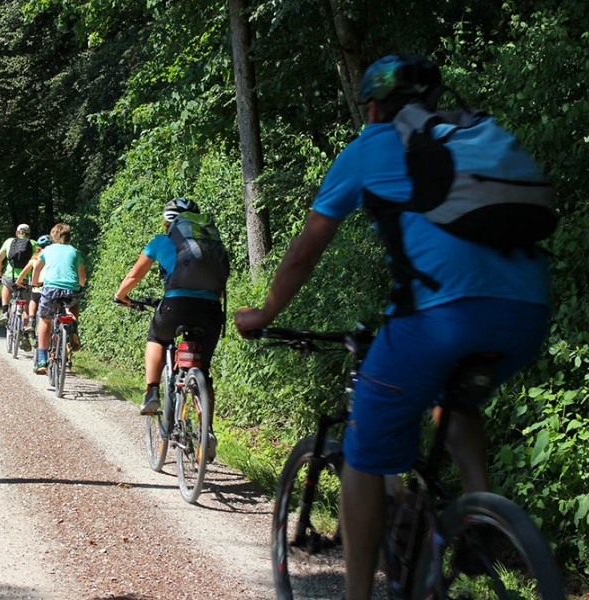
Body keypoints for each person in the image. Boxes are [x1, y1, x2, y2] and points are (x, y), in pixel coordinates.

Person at [234, 54, 550, 599]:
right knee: (454, 399)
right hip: (528, 312)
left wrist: (262, 315)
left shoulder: (370, 148)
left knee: (365, 454)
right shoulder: (472, 135)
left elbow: (305, 251)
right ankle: (481, 515)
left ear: (374, 107)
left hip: (441, 318)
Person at [114, 197, 227, 462]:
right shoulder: (211, 244)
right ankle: (206, 430)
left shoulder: (162, 241)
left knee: (157, 337)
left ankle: (152, 390)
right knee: (204, 371)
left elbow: (134, 276)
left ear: (169, 221)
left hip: (175, 306)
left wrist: (121, 296)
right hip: (210, 310)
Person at [32, 224, 87, 374]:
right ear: (69, 237)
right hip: (71, 290)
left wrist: (35, 282)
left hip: (50, 290)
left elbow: (37, 269)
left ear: (53, 237)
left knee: (45, 320)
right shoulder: (76, 252)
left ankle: (42, 359)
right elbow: (82, 276)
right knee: (74, 305)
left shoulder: (47, 250)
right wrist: (80, 285)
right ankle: (73, 329)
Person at [0, 223, 35, 328]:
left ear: (17, 233)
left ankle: (4, 312)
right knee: (26, 307)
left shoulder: (9, 241)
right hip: (27, 280)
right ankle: (25, 334)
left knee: (6, 286)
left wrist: (0, 273)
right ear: (29, 234)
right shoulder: (34, 243)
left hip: (10, 277)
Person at [15, 234, 52, 350]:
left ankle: (31, 321)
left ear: (38, 247)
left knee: (33, 299)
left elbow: (23, 274)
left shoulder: (35, 258)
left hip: (38, 288)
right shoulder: (54, 257)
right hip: (51, 288)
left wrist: (19, 282)